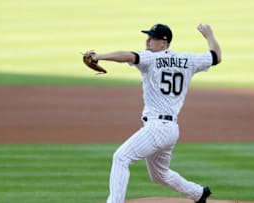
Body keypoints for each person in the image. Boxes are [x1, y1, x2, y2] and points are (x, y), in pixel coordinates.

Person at [86, 23, 221, 203]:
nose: (148, 40)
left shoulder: (151, 58)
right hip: (171, 129)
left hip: (157, 128)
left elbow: (127, 55)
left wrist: (99, 56)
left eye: (152, 38)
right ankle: (198, 193)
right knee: (159, 175)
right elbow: (216, 56)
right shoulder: (188, 60)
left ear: (164, 44)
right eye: (148, 36)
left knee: (121, 158)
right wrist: (209, 35)